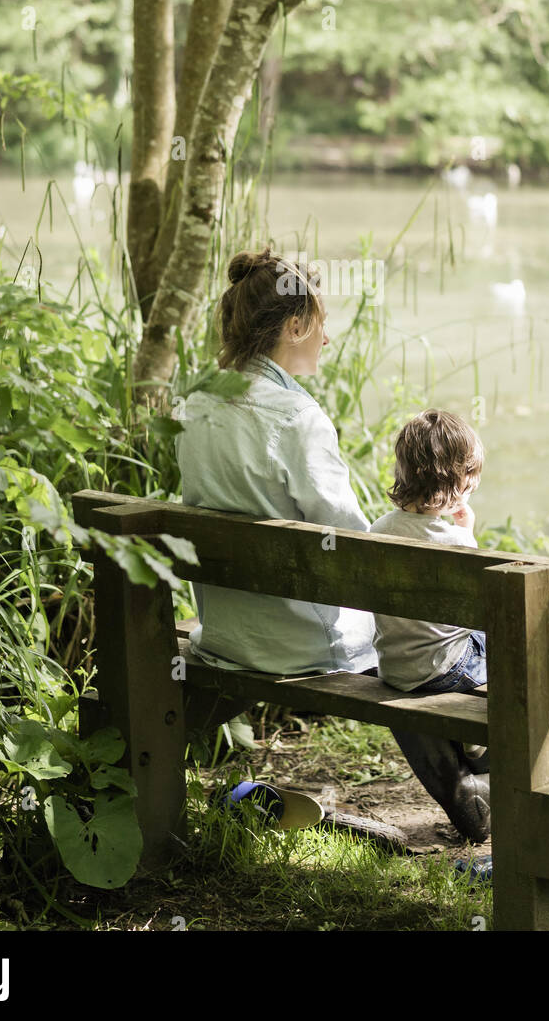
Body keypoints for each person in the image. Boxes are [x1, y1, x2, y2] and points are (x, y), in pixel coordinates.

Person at [174, 247, 376, 676]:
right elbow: (354, 542)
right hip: (302, 643)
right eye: (322, 325)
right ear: (295, 326)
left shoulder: (192, 405)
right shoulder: (299, 419)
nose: (327, 339)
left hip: (225, 634)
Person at [371, 409, 492, 842]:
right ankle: (482, 746)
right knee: (504, 639)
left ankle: (474, 745)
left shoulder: (377, 531)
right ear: (457, 482)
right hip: (446, 670)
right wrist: (470, 536)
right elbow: (476, 611)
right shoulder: (454, 542)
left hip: (396, 668)